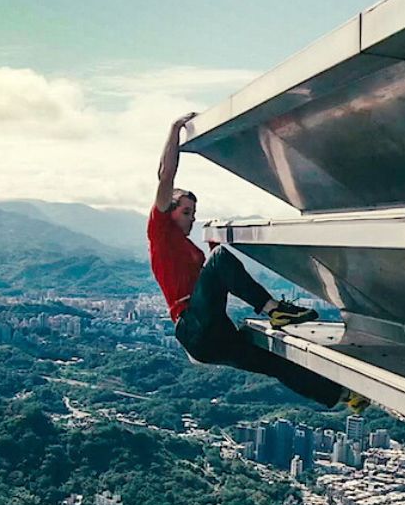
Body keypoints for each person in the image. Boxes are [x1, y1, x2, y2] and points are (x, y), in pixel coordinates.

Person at [147, 112, 368, 412]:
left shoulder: (185, 247)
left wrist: (212, 249)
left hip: (212, 332)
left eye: (193, 213)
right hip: (193, 326)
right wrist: (174, 128)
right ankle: (274, 310)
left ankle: (343, 396)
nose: (191, 218)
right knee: (221, 258)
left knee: (275, 361)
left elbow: (208, 283)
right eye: (186, 212)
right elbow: (166, 174)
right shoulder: (160, 232)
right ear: (168, 211)